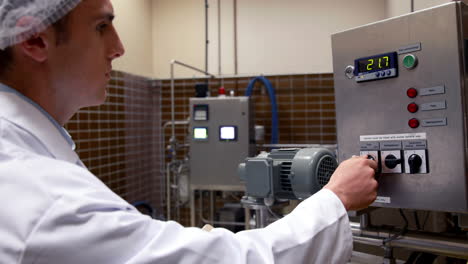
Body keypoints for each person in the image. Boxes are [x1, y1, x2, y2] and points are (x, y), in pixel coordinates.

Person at [0, 0, 378, 263]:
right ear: (33, 39)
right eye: (101, 26)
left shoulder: (30, 152)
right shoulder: (46, 199)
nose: (118, 47)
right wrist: (335, 198)